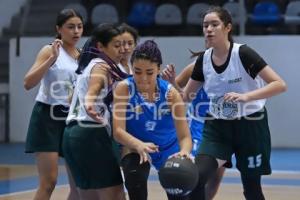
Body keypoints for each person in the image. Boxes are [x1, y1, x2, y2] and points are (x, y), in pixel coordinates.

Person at [181, 6, 287, 200]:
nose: (209, 29)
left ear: (228, 27)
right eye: (205, 25)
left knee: (252, 190)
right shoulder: (203, 60)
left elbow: (279, 84)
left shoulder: (244, 53)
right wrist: (165, 86)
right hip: (217, 127)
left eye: (214, 24)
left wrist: (247, 96)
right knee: (195, 177)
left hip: (251, 125)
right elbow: (186, 96)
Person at [113, 40, 193, 200]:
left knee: (179, 187)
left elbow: (184, 137)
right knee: (134, 180)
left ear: (158, 70)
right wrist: (138, 145)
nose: (143, 78)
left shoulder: (171, 95)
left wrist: (184, 152)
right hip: (137, 146)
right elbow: (118, 131)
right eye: (137, 71)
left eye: (149, 72)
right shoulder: (124, 88)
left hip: (169, 149)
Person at [23, 9, 83, 200]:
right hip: (47, 118)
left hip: (71, 119)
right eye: (70, 27)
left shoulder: (82, 55)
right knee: (49, 183)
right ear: (59, 29)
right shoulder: (49, 50)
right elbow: (28, 83)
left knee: (80, 185)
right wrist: (51, 60)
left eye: (80, 27)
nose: (76, 31)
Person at [62, 23, 127, 200]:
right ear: (100, 46)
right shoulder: (101, 66)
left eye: (123, 44)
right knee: (115, 195)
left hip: (72, 135)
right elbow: (94, 87)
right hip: (91, 133)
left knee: (87, 196)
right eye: (116, 45)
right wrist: (90, 102)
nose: (121, 49)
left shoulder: (89, 65)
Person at [161, 60, 225, 200]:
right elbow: (177, 94)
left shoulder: (236, 62)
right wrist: (171, 82)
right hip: (198, 126)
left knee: (214, 180)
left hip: (224, 128)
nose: (209, 38)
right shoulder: (197, 65)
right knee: (194, 176)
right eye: (207, 37)